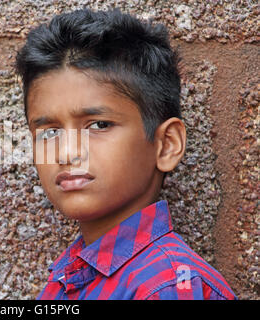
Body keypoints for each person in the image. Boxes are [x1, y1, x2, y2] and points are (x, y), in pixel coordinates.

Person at [15, 8, 236, 300]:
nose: (66, 153)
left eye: (99, 125)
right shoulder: (68, 275)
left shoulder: (169, 287)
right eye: (50, 132)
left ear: (167, 144)